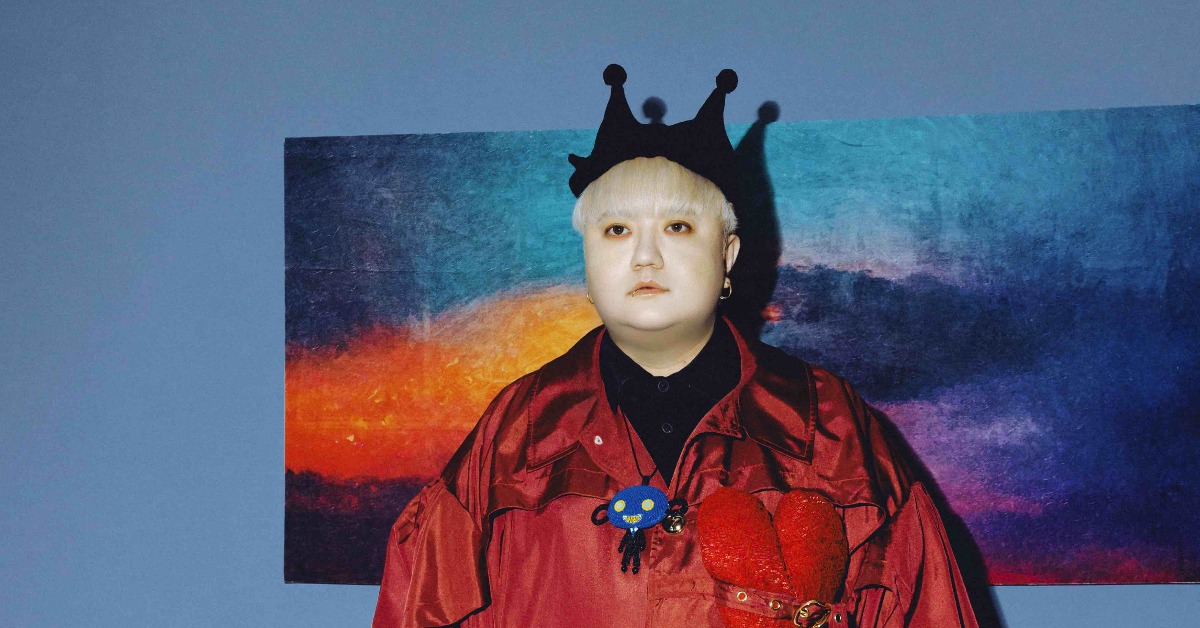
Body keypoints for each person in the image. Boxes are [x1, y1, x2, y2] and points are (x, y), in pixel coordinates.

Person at [373, 65, 979, 627]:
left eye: (678, 227)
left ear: (727, 255)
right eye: (616, 229)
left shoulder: (829, 427)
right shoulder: (516, 433)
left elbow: (922, 602)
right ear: (587, 258)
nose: (645, 255)